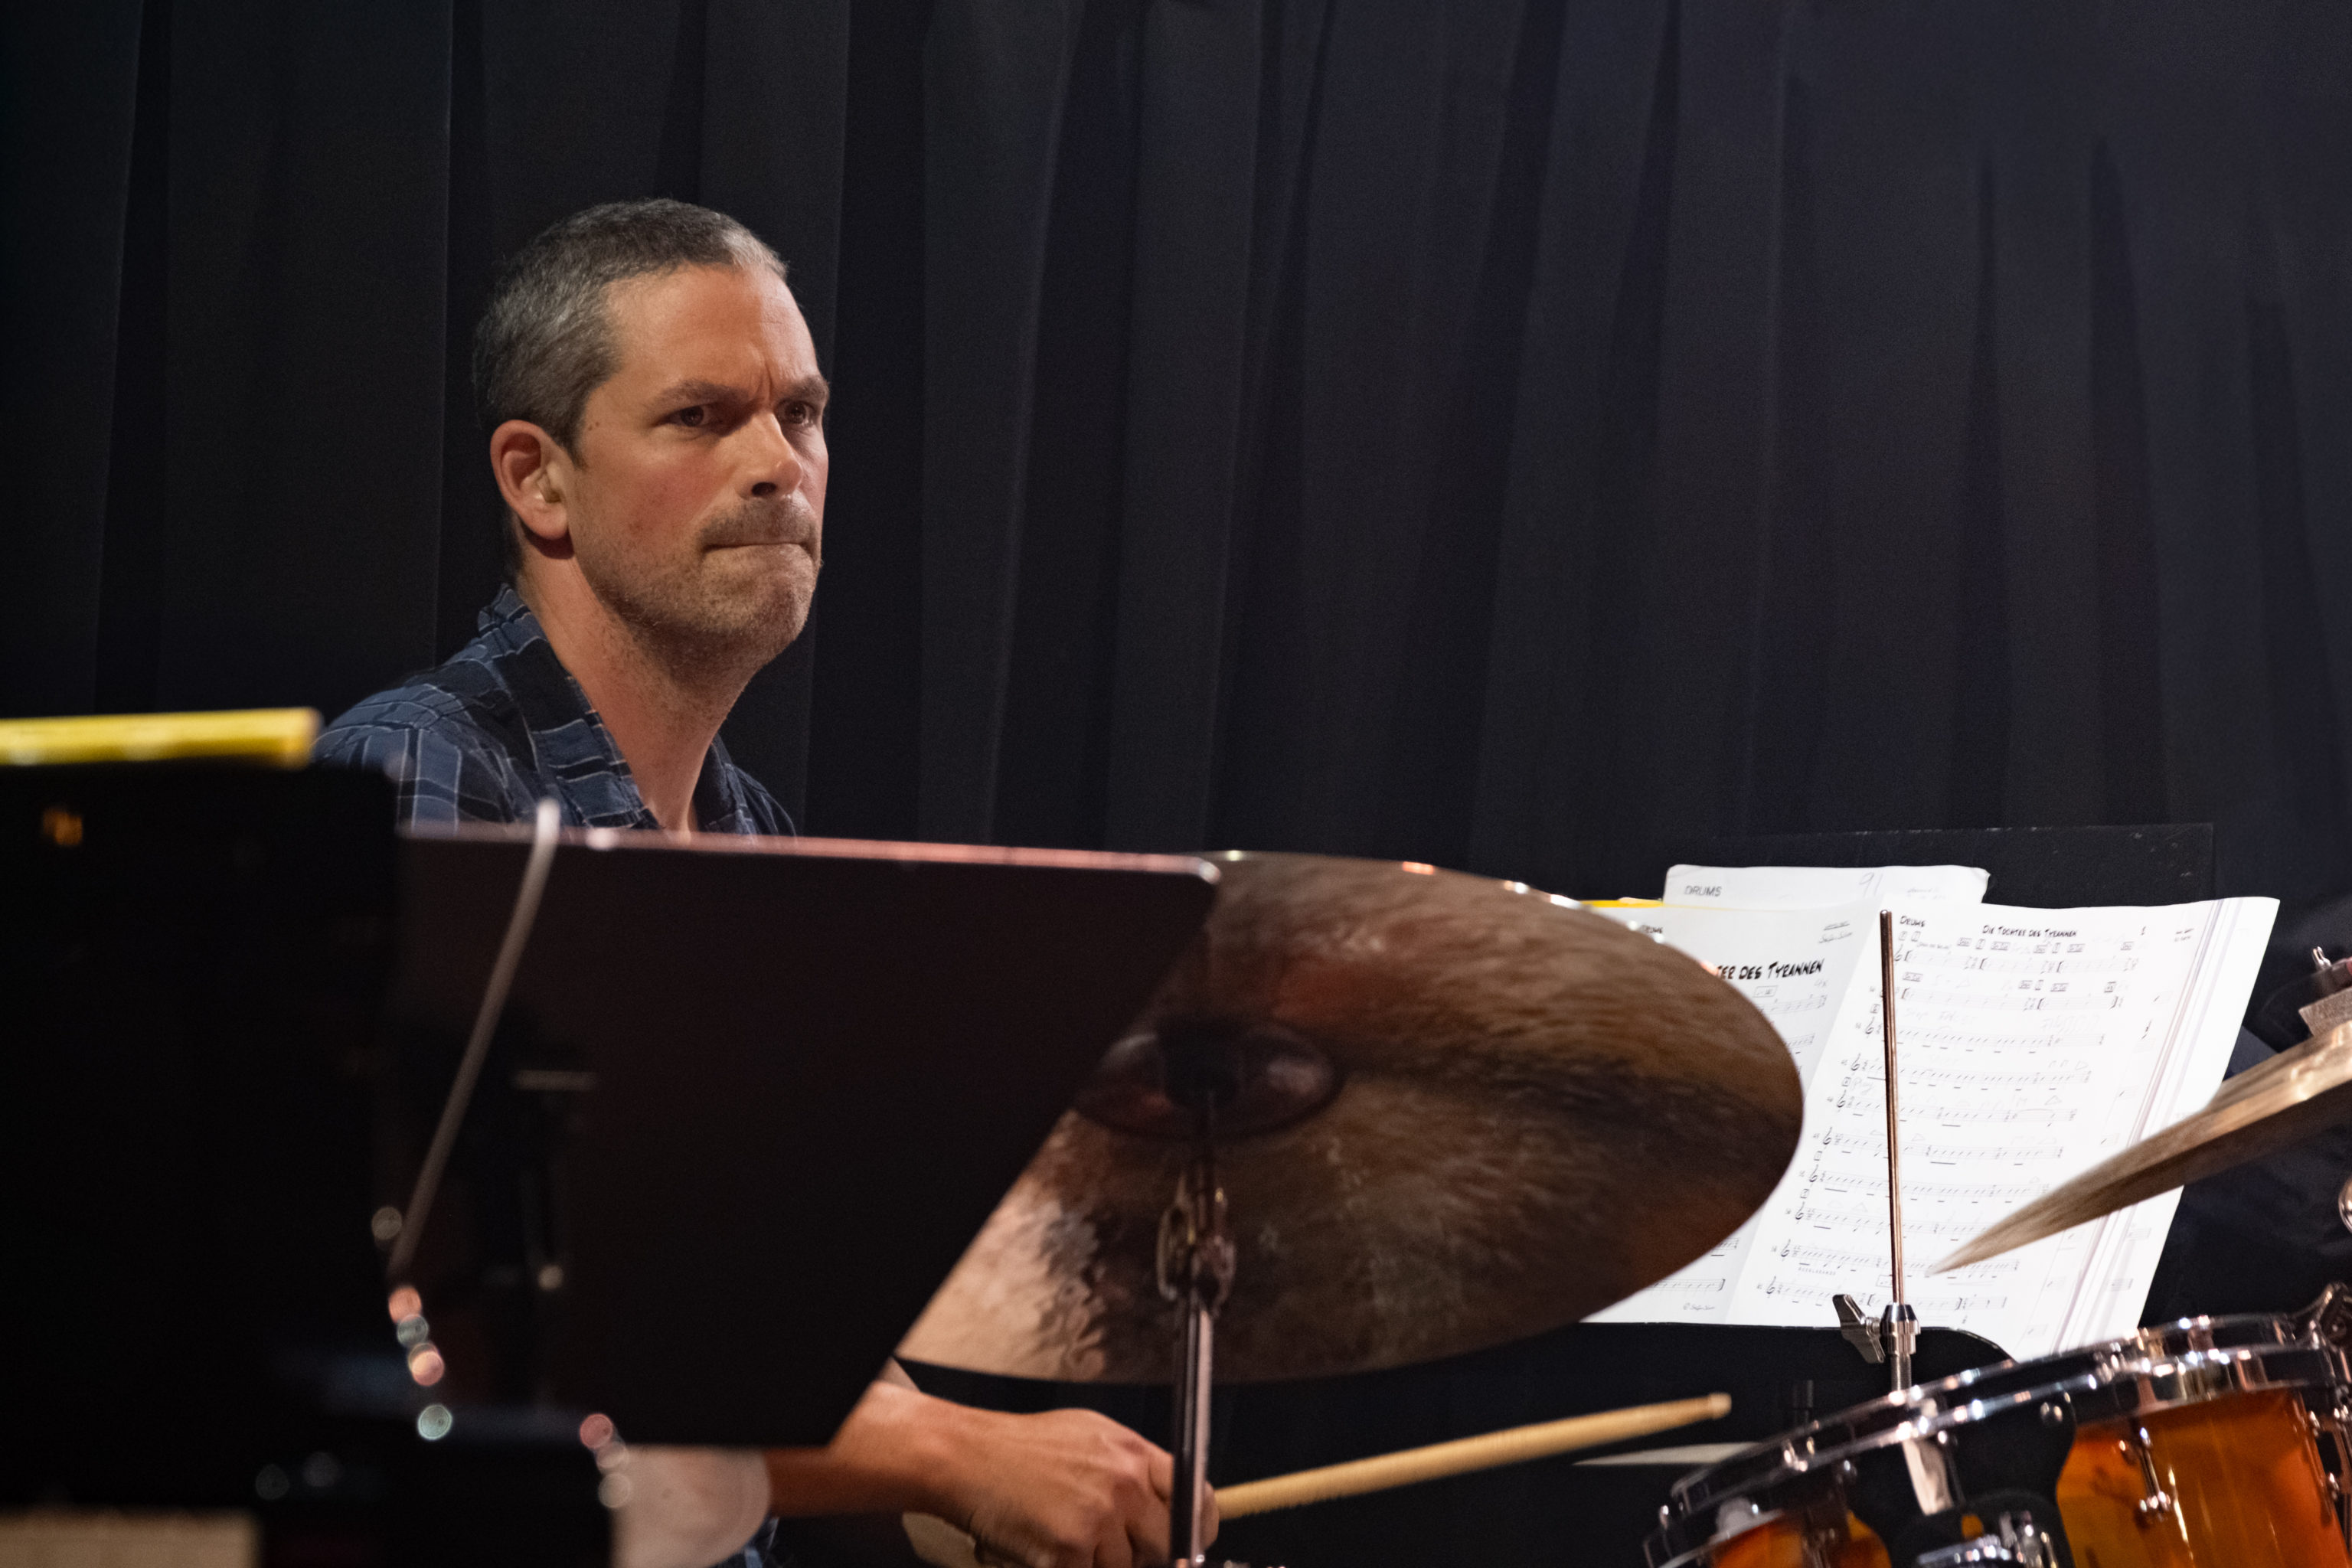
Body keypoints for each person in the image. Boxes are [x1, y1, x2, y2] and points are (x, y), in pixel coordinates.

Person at [319, 200, 1201, 1568]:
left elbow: (760, 1328)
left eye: (802, 413)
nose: (779, 465)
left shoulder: (751, 843)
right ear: (538, 481)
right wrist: (951, 1456)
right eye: (700, 418)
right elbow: (432, 1353)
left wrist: (983, 1475)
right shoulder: (420, 776)